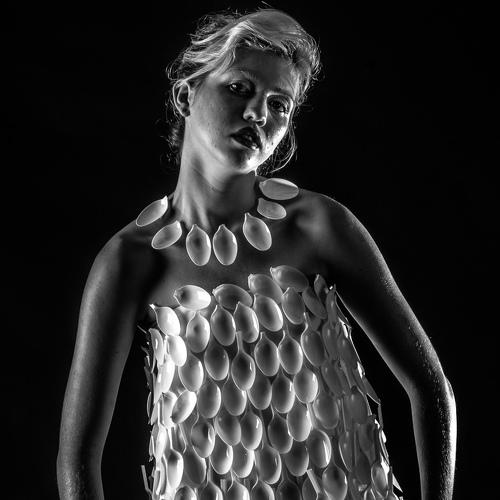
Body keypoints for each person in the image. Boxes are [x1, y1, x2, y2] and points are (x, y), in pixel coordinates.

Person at [57, 8, 456, 500]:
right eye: (239, 88)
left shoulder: (319, 226)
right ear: (186, 94)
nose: (258, 115)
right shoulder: (130, 260)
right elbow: (77, 460)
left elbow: (430, 386)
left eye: (279, 105)